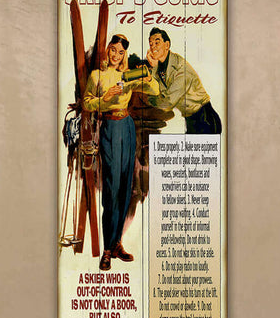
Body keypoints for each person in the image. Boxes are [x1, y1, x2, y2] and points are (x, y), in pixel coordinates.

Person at [82, 34, 159, 271]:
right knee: (112, 188)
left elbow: (154, 90)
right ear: (108, 50)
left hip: (127, 127)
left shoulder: (127, 76)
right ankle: (106, 249)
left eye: (121, 52)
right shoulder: (97, 76)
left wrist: (149, 72)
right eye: (113, 50)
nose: (116, 55)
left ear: (125, 55)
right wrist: (104, 98)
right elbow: (86, 103)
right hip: (110, 128)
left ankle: (116, 243)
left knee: (126, 186)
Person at [145, 28, 223, 134]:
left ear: (167, 45)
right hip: (191, 120)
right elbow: (162, 89)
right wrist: (154, 67)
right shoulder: (161, 67)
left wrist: (148, 100)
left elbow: (167, 103)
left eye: (157, 43)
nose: (153, 46)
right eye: (151, 44)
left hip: (205, 119)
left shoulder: (180, 68)